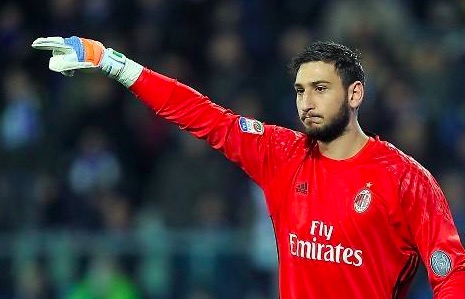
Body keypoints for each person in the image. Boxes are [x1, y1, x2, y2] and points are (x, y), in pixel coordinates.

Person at [32, 36, 465, 298]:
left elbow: (451, 275)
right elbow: (201, 114)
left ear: (355, 94)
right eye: (299, 91)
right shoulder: (281, 154)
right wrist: (107, 59)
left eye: (320, 89)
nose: (306, 103)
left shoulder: (404, 178)